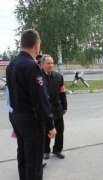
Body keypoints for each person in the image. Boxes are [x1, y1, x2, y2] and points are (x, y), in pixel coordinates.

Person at [6, 29, 56, 180]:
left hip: (15, 116)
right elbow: (40, 100)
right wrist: (50, 125)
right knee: (34, 162)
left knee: (23, 156)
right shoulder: (31, 66)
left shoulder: (11, 65)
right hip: (30, 120)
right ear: (36, 45)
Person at [40, 54, 67, 160]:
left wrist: (64, 106)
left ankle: (58, 150)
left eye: (52, 63)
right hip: (45, 111)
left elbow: (62, 93)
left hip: (57, 109)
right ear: (42, 64)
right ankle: (45, 151)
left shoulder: (59, 77)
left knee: (60, 131)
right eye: (48, 63)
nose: (51, 65)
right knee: (46, 132)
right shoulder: (39, 77)